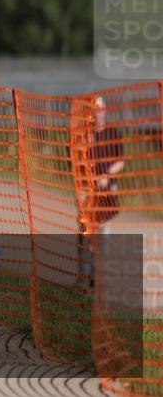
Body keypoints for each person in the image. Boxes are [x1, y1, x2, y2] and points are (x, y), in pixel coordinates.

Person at [76, 95, 125, 288]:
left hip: (106, 190)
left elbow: (121, 162)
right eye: (95, 110)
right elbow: (78, 161)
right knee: (84, 232)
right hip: (87, 190)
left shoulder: (113, 133)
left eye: (100, 109)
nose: (98, 114)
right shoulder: (84, 134)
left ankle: (97, 279)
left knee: (102, 235)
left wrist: (107, 175)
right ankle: (83, 276)